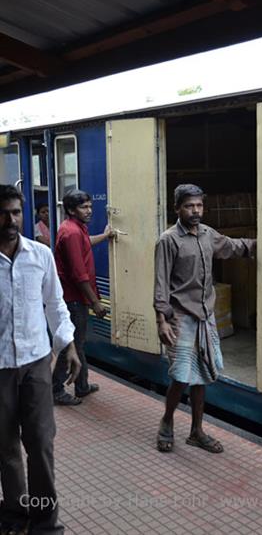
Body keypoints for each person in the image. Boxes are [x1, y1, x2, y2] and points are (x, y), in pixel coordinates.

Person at [0, 184, 81, 535]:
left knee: (41, 444)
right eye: (3, 213)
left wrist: (68, 345)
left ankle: (45, 522)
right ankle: (16, 514)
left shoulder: (40, 255)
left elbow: (55, 304)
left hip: (35, 364)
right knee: (5, 447)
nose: (10, 220)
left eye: (16, 212)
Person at [154, 184, 256, 453]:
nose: (195, 211)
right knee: (181, 376)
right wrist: (161, 322)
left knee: (203, 375)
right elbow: (161, 285)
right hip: (180, 316)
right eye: (189, 206)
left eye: (199, 205)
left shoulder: (208, 234)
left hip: (205, 316)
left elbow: (233, 247)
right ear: (177, 208)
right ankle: (167, 422)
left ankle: (196, 431)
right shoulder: (168, 240)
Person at [52, 189, 114, 406]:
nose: (89, 210)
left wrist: (105, 236)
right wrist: (95, 302)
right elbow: (79, 275)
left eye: (89, 206)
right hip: (74, 298)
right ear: (71, 210)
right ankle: (56, 389)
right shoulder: (71, 233)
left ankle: (82, 386)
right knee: (72, 344)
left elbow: (85, 242)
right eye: (83, 207)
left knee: (78, 342)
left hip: (76, 297)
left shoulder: (74, 229)